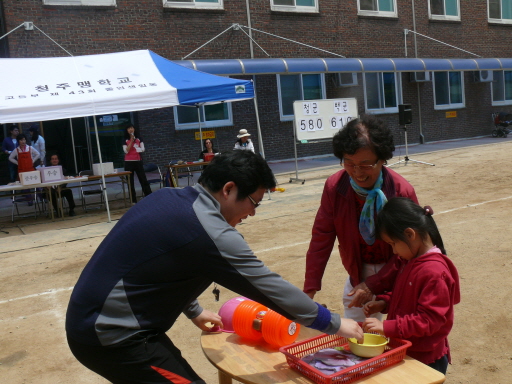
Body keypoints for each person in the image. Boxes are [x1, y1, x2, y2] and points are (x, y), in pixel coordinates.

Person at [66, 150, 364, 384]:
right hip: (111, 335)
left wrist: (193, 310)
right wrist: (334, 323)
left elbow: (159, 267)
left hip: (98, 321)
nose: (252, 213)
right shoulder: (209, 230)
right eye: (253, 202)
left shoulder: (167, 197)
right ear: (229, 189)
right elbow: (267, 286)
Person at [303, 115, 418, 322]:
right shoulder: (335, 187)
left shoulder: (401, 191)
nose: (357, 172)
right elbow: (322, 237)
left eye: (366, 165)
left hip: (397, 271)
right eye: (349, 163)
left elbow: (411, 249)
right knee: (357, 335)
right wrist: (309, 289)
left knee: (396, 332)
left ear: (382, 159)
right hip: (358, 269)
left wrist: (374, 284)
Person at [363, 197, 460, 375]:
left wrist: (387, 327)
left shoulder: (434, 272)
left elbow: (429, 320)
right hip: (406, 349)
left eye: (393, 244)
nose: (393, 251)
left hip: (425, 358)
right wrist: (385, 302)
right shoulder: (410, 260)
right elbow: (406, 295)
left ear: (410, 234)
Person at [122, 123, 152, 203]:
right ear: (127, 131)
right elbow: (126, 151)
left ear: (134, 129)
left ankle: (149, 196)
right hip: (128, 162)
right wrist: (131, 141)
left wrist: (138, 148)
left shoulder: (139, 138)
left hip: (138, 161)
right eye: (128, 128)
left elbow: (143, 149)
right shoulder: (125, 139)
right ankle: (133, 200)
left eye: (131, 128)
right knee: (130, 182)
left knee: (143, 179)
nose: (130, 129)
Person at [9, 133, 40, 205]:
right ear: (18, 141)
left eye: (24, 140)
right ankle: (30, 200)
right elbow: (10, 158)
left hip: (31, 169)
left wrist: (33, 160)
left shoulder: (30, 148)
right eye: (21, 140)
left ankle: (42, 197)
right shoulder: (16, 150)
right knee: (25, 187)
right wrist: (17, 163)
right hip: (22, 170)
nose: (23, 141)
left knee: (37, 184)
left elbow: (38, 154)